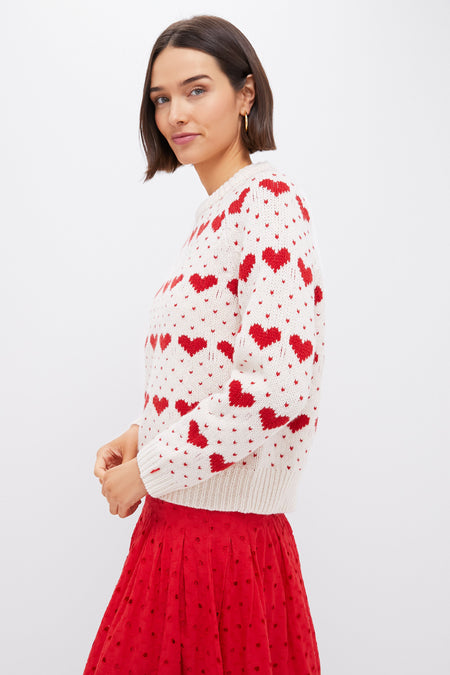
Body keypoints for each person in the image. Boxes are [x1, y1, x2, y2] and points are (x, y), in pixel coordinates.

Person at [83, 13, 326, 675]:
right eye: (161, 98)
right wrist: (146, 433)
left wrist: (150, 469)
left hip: (218, 540)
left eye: (196, 90)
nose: (175, 114)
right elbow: (216, 371)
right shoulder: (218, 215)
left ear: (246, 94)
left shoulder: (267, 201)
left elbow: (276, 385)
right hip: (182, 524)